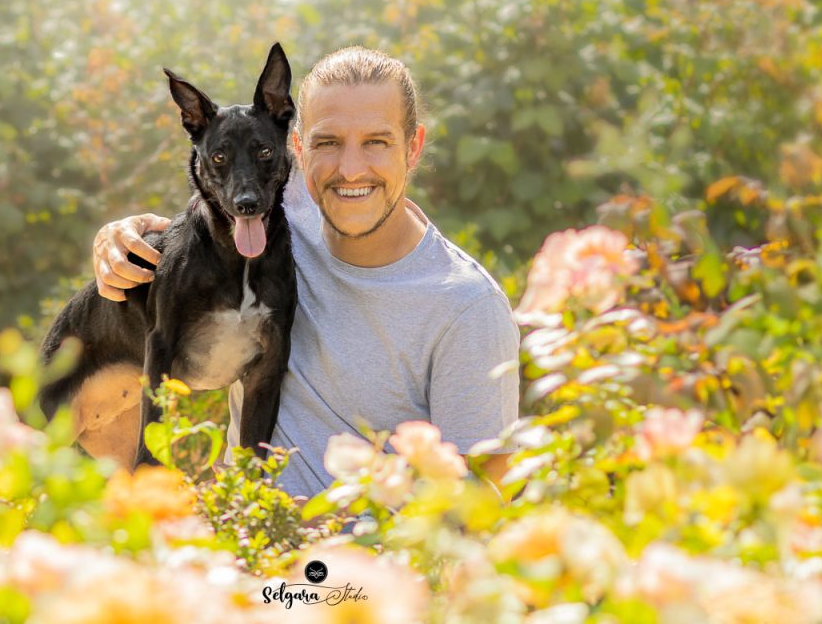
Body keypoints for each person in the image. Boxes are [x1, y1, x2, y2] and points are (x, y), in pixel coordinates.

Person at [92, 47, 519, 500]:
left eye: (376, 141)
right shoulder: (272, 219)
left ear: (413, 147)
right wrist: (117, 237)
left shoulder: (468, 308)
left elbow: (484, 506)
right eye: (327, 143)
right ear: (295, 148)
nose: (351, 169)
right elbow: (209, 200)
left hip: (362, 564)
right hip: (244, 541)